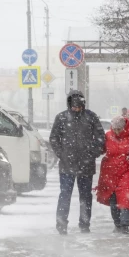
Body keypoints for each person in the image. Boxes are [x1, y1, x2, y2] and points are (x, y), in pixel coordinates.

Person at [49, 90, 105, 235]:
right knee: (65, 194)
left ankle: (85, 224)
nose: (76, 109)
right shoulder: (61, 118)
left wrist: (92, 154)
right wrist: (62, 154)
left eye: (79, 107)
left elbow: (100, 138)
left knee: (85, 196)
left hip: (86, 165)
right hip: (67, 164)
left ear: (83, 105)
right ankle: (61, 225)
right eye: (74, 107)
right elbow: (54, 138)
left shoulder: (91, 117)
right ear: (69, 105)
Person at [96, 116, 129, 234]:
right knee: (113, 200)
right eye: (114, 129)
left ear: (124, 127)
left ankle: (124, 225)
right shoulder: (108, 136)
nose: (116, 132)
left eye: (119, 129)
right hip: (110, 172)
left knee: (126, 198)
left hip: (128, 172)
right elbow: (101, 149)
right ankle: (117, 224)